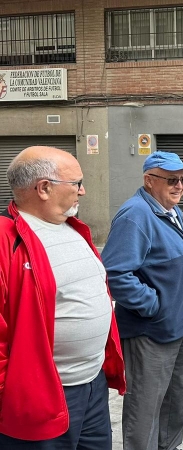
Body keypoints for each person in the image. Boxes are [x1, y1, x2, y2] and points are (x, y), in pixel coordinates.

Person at [0, 146, 126, 448]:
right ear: (44, 188)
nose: (82, 192)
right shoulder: (7, 241)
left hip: (92, 385)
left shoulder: (74, 228)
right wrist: (14, 392)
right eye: (76, 183)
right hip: (40, 395)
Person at [101, 151, 183, 450]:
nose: (180, 185)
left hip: (182, 326)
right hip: (151, 332)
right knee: (145, 408)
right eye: (172, 179)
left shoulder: (170, 210)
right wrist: (153, 307)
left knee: (176, 401)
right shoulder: (135, 215)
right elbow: (114, 272)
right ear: (149, 181)